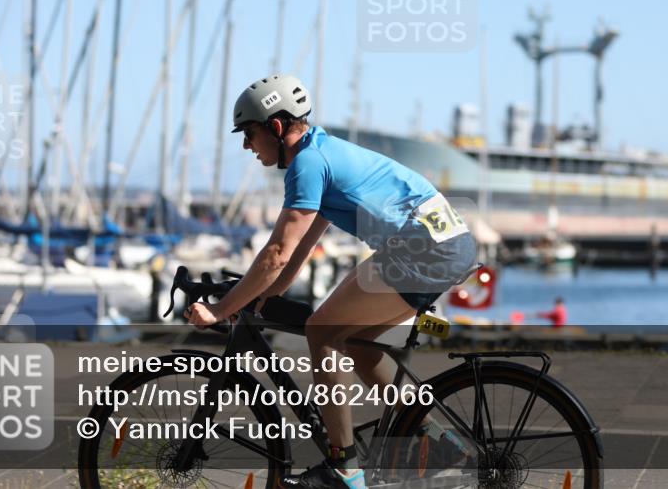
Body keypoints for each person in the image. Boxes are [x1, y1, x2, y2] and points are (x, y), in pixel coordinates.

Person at [185, 74, 477, 489]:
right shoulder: (323, 150)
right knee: (354, 344)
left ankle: (344, 468)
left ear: (277, 127)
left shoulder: (307, 163)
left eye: (249, 134)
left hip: (422, 248)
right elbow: (300, 248)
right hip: (449, 245)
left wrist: (220, 308)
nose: (246, 145)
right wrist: (269, 293)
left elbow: (275, 253)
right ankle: (438, 440)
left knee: (321, 330)